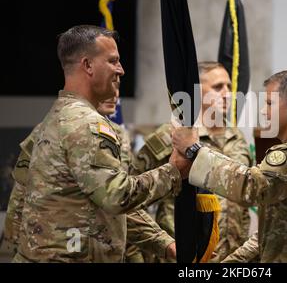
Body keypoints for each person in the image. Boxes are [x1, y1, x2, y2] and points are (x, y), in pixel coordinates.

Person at [13, 25, 188, 262]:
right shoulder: (86, 124)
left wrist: (164, 244)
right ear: (87, 65)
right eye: (113, 61)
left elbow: (104, 201)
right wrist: (174, 171)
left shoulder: (58, 116)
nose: (121, 70)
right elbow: (117, 197)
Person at [171, 69, 287, 262]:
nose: (263, 111)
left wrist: (194, 151)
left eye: (269, 103)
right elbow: (274, 230)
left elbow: (254, 187)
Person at [3, 93, 176, 262]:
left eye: (117, 88)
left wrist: (163, 243)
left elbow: (114, 198)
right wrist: (11, 247)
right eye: (107, 87)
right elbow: (21, 193)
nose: (113, 95)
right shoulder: (55, 130)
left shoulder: (112, 135)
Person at [132, 62, 251, 262]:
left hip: (231, 257)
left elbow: (242, 199)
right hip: (183, 255)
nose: (227, 93)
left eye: (229, 87)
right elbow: (132, 193)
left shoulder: (237, 137)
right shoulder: (172, 136)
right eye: (217, 87)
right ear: (197, 91)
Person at [96, 92, 176, 263]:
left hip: (119, 247)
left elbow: (127, 200)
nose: (115, 94)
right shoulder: (63, 129)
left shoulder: (119, 135)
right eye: (217, 87)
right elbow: (127, 196)